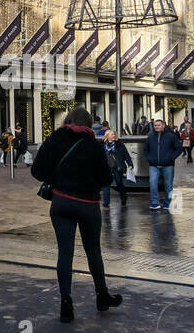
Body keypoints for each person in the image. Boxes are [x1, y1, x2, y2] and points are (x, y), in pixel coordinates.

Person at [30, 107, 120, 321]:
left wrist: (57, 176)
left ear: (68, 121)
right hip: (88, 204)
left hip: (61, 203)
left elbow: (37, 171)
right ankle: (101, 295)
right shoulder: (93, 145)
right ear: (89, 124)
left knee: (65, 252)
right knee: (93, 251)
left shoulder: (54, 140)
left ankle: (66, 304)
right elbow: (107, 179)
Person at [143, 117, 183, 211]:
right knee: (152, 183)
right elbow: (145, 149)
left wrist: (171, 158)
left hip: (168, 165)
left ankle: (167, 203)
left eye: (158, 125)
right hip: (154, 165)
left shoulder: (171, 136)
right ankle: (155, 203)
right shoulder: (150, 137)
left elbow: (179, 148)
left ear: (163, 125)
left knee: (168, 185)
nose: (156, 127)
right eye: (155, 125)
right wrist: (149, 159)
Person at [101, 129, 133, 207]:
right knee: (106, 185)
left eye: (114, 134)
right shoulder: (102, 145)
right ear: (107, 136)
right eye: (112, 134)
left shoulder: (120, 144)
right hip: (106, 168)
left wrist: (130, 164)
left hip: (117, 167)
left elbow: (126, 155)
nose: (114, 136)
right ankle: (106, 202)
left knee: (119, 183)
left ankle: (123, 199)